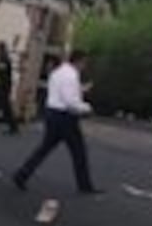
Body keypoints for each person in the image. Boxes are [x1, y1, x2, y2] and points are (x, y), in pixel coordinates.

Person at [12, 49, 99, 194]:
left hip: (52, 113)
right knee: (79, 151)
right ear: (79, 61)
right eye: (84, 63)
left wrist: (81, 90)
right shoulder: (71, 75)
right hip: (65, 117)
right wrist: (87, 108)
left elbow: (63, 93)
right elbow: (70, 101)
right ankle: (85, 186)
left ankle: (22, 175)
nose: (85, 66)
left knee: (44, 149)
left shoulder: (58, 72)